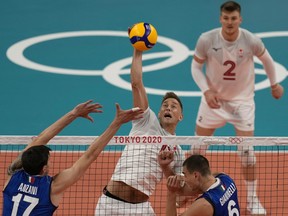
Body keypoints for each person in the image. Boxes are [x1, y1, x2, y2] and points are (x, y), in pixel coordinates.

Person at [191, 1, 284, 215]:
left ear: (240, 19)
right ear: (220, 18)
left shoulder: (250, 40)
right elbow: (196, 66)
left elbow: (268, 61)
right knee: (196, 149)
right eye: (226, 18)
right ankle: (188, 192)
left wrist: (274, 84)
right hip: (213, 102)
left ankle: (252, 200)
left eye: (234, 18)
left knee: (247, 154)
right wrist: (206, 91)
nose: (230, 22)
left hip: (242, 103)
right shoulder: (207, 39)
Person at [2, 100, 144, 215]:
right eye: (49, 160)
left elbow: (40, 139)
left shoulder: (12, 175)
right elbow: (89, 156)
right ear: (44, 168)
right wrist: (116, 123)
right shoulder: (52, 188)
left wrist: (74, 113)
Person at [95, 46, 185, 215]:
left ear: (181, 116)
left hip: (141, 209)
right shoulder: (145, 121)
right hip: (111, 205)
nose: (168, 108)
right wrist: (138, 50)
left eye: (174, 107)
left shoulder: (178, 151)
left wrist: (165, 168)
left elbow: (180, 189)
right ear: (158, 112)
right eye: (165, 105)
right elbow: (136, 83)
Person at [165, 154, 240, 216]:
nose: (185, 179)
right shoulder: (226, 179)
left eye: (185, 175)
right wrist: (165, 167)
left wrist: (171, 193)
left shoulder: (204, 204)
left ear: (195, 175)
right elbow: (209, 177)